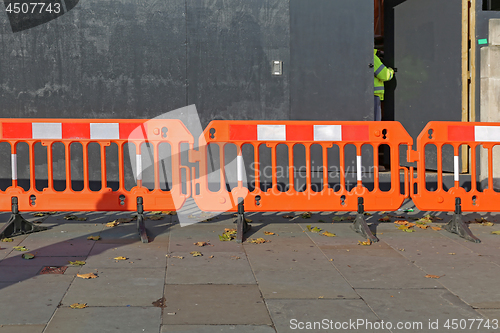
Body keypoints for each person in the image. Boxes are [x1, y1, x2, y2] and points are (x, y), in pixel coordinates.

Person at [373, 49, 394, 121]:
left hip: (363, 95)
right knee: (375, 124)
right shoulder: (372, 57)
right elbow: (385, 75)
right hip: (374, 96)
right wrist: (391, 71)